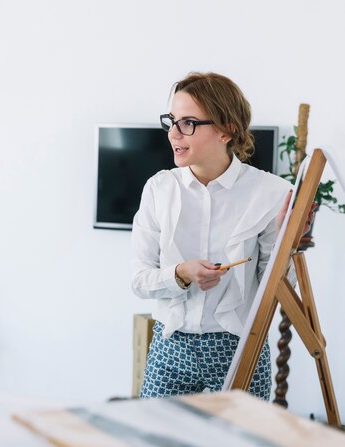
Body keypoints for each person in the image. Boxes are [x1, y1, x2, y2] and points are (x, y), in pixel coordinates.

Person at [131, 72, 314, 400]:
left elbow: (274, 290)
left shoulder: (272, 193)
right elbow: (139, 280)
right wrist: (181, 274)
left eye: (188, 122)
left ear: (227, 129)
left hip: (240, 347)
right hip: (169, 346)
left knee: (243, 438)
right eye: (171, 121)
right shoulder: (159, 189)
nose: (174, 133)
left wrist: (290, 243)